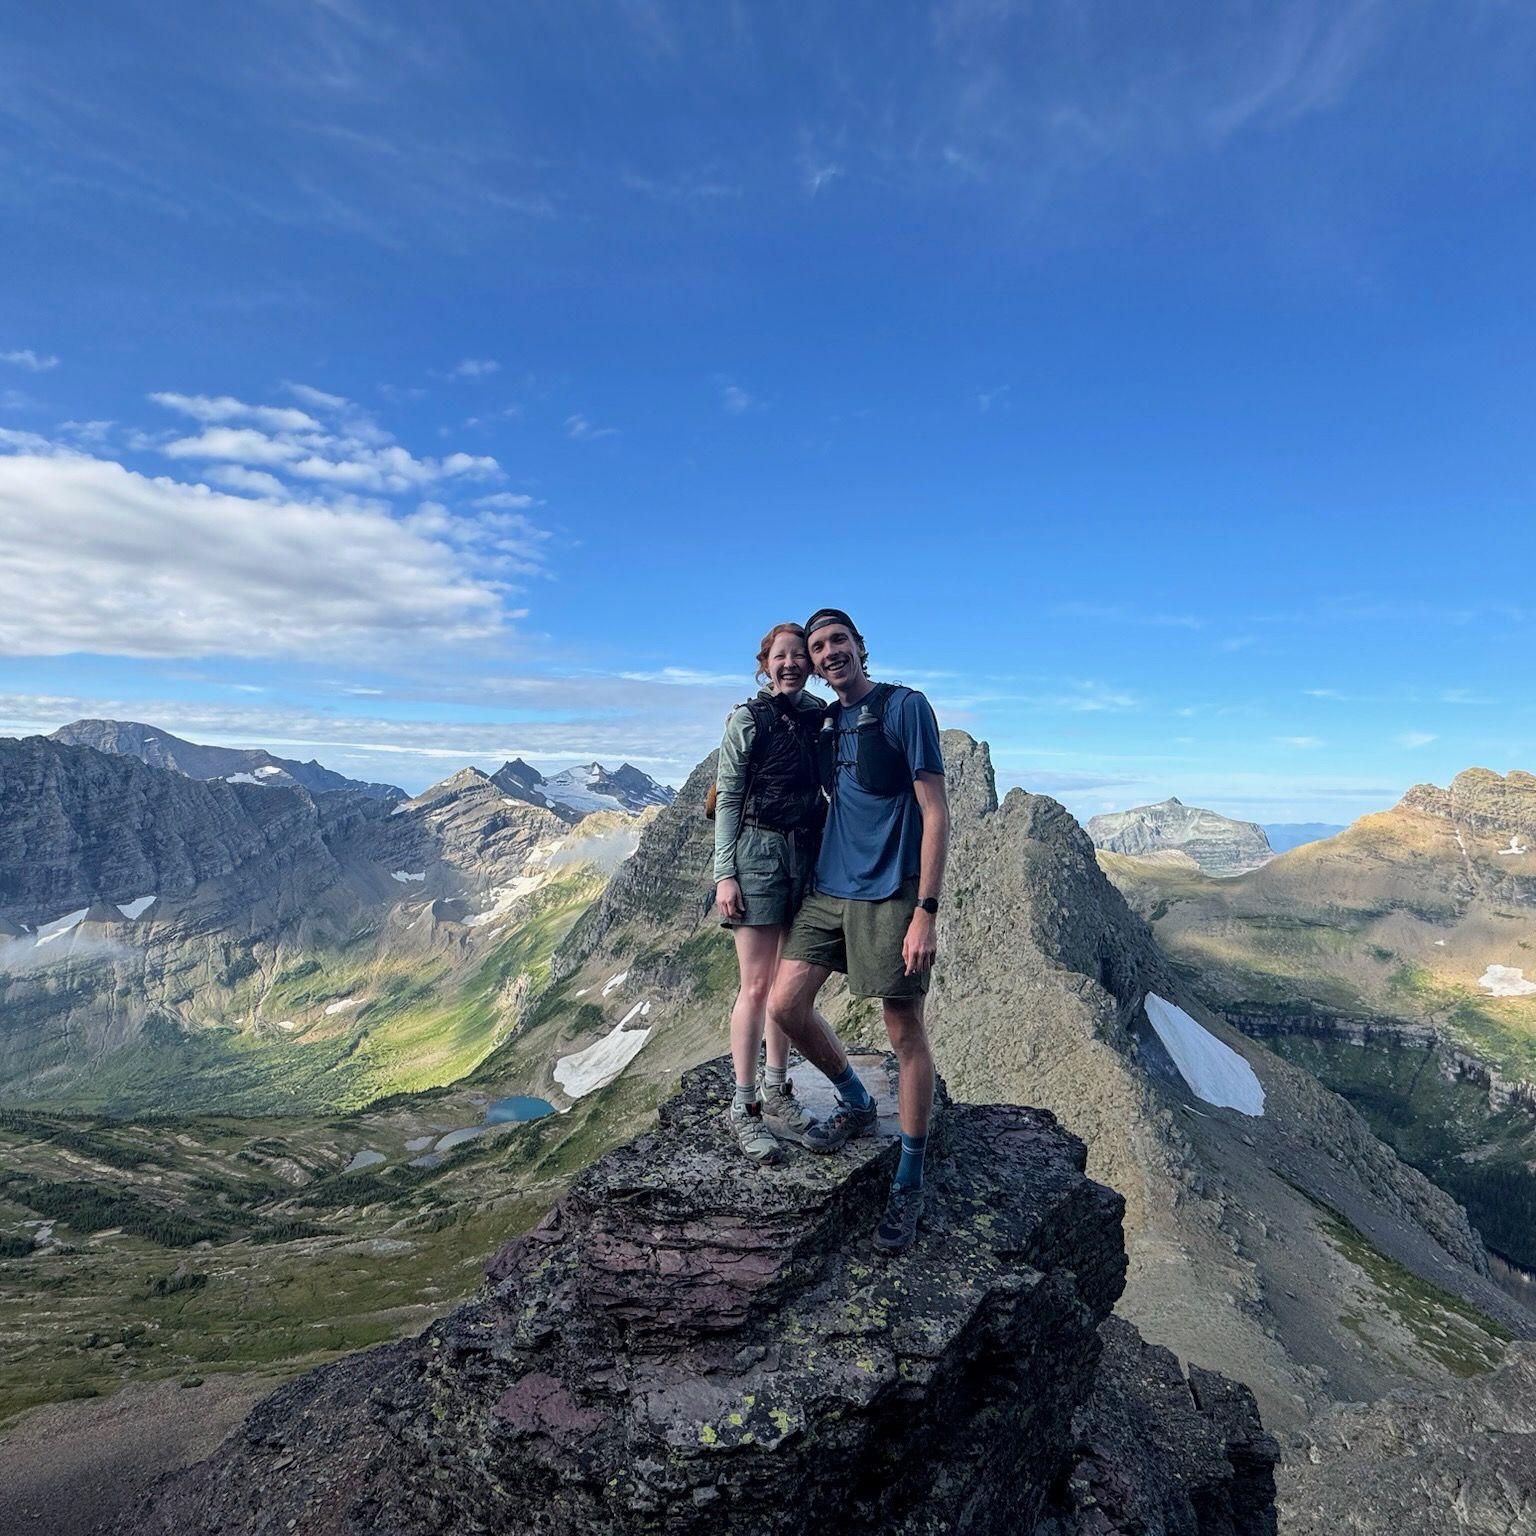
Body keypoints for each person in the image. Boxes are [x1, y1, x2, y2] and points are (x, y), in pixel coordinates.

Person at [766, 607, 949, 1253]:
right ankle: (855, 1100)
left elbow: (934, 809)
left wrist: (926, 909)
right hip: (828, 888)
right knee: (785, 1005)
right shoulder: (825, 719)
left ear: (859, 647)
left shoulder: (904, 707)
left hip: (891, 892)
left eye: (837, 640)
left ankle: (910, 1177)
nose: (828, 653)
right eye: (817, 647)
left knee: (904, 1031)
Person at [712, 622, 831, 1166]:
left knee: (787, 987)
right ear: (765, 664)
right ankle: (744, 1107)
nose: (790, 664)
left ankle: (778, 1091)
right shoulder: (747, 719)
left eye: (797, 656)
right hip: (757, 857)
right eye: (779, 657)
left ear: (808, 664)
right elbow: (730, 798)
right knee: (756, 986)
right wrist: (725, 875)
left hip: (804, 856)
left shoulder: (817, 719)